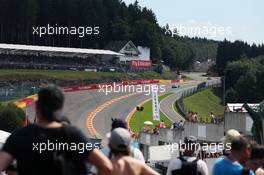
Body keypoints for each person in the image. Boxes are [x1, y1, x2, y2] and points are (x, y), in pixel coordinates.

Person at [0, 85, 112, 175]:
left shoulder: (19, 136)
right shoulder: (73, 135)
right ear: (60, 107)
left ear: (37, 106)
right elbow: (106, 167)